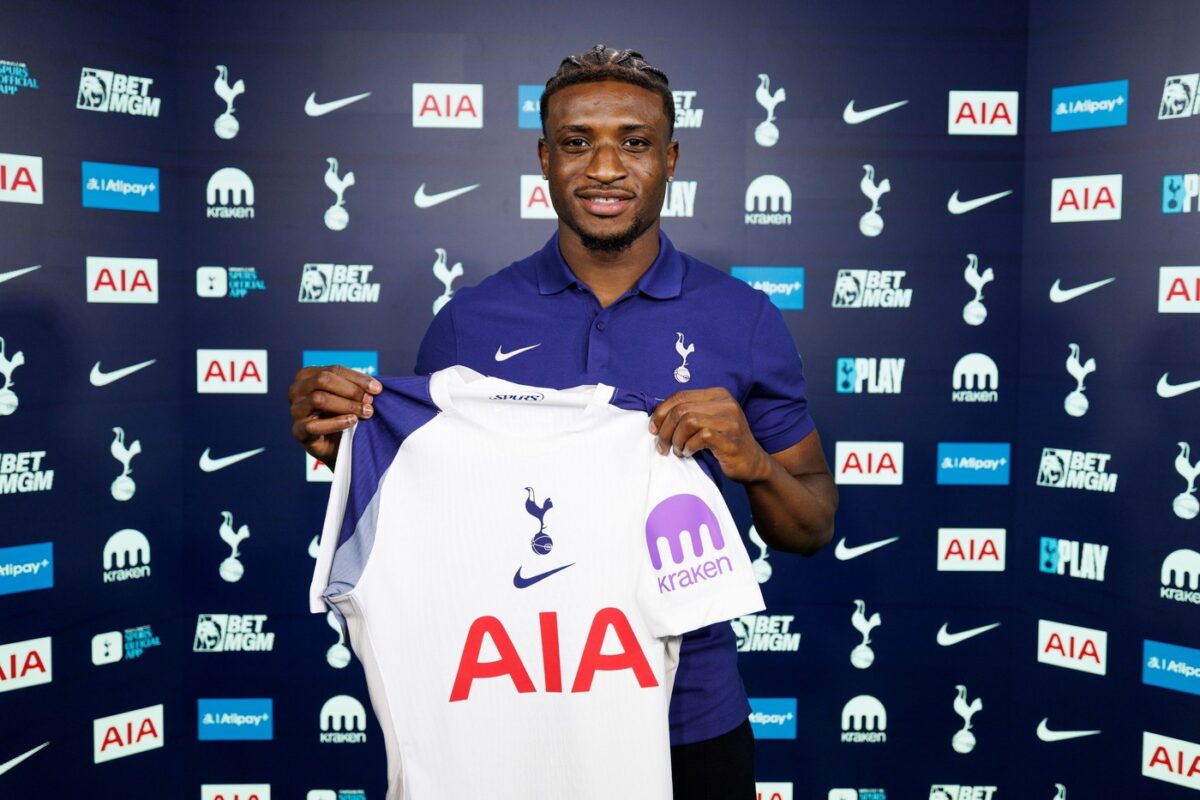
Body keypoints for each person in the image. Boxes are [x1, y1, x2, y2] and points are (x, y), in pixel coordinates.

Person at [289, 44, 838, 799]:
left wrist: (756, 463)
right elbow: (438, 511)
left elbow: (811, 526)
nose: (605, 167)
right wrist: (345, 446)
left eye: (634, 143)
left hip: (689, 718)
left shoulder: (743, 319)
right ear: (544, 159)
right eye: (577, 142)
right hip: (510, 712)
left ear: (671, 159)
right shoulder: (468, 322)